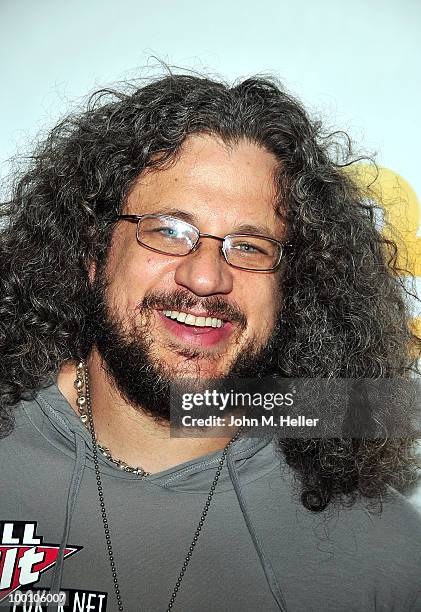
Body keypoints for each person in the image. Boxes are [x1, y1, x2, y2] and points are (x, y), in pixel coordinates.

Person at [0, 72, 420, 612]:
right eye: (169, 230)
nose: (205, 278)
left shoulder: (384, 557)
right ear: (93, 253)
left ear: (293, 287)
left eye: (249, 246)